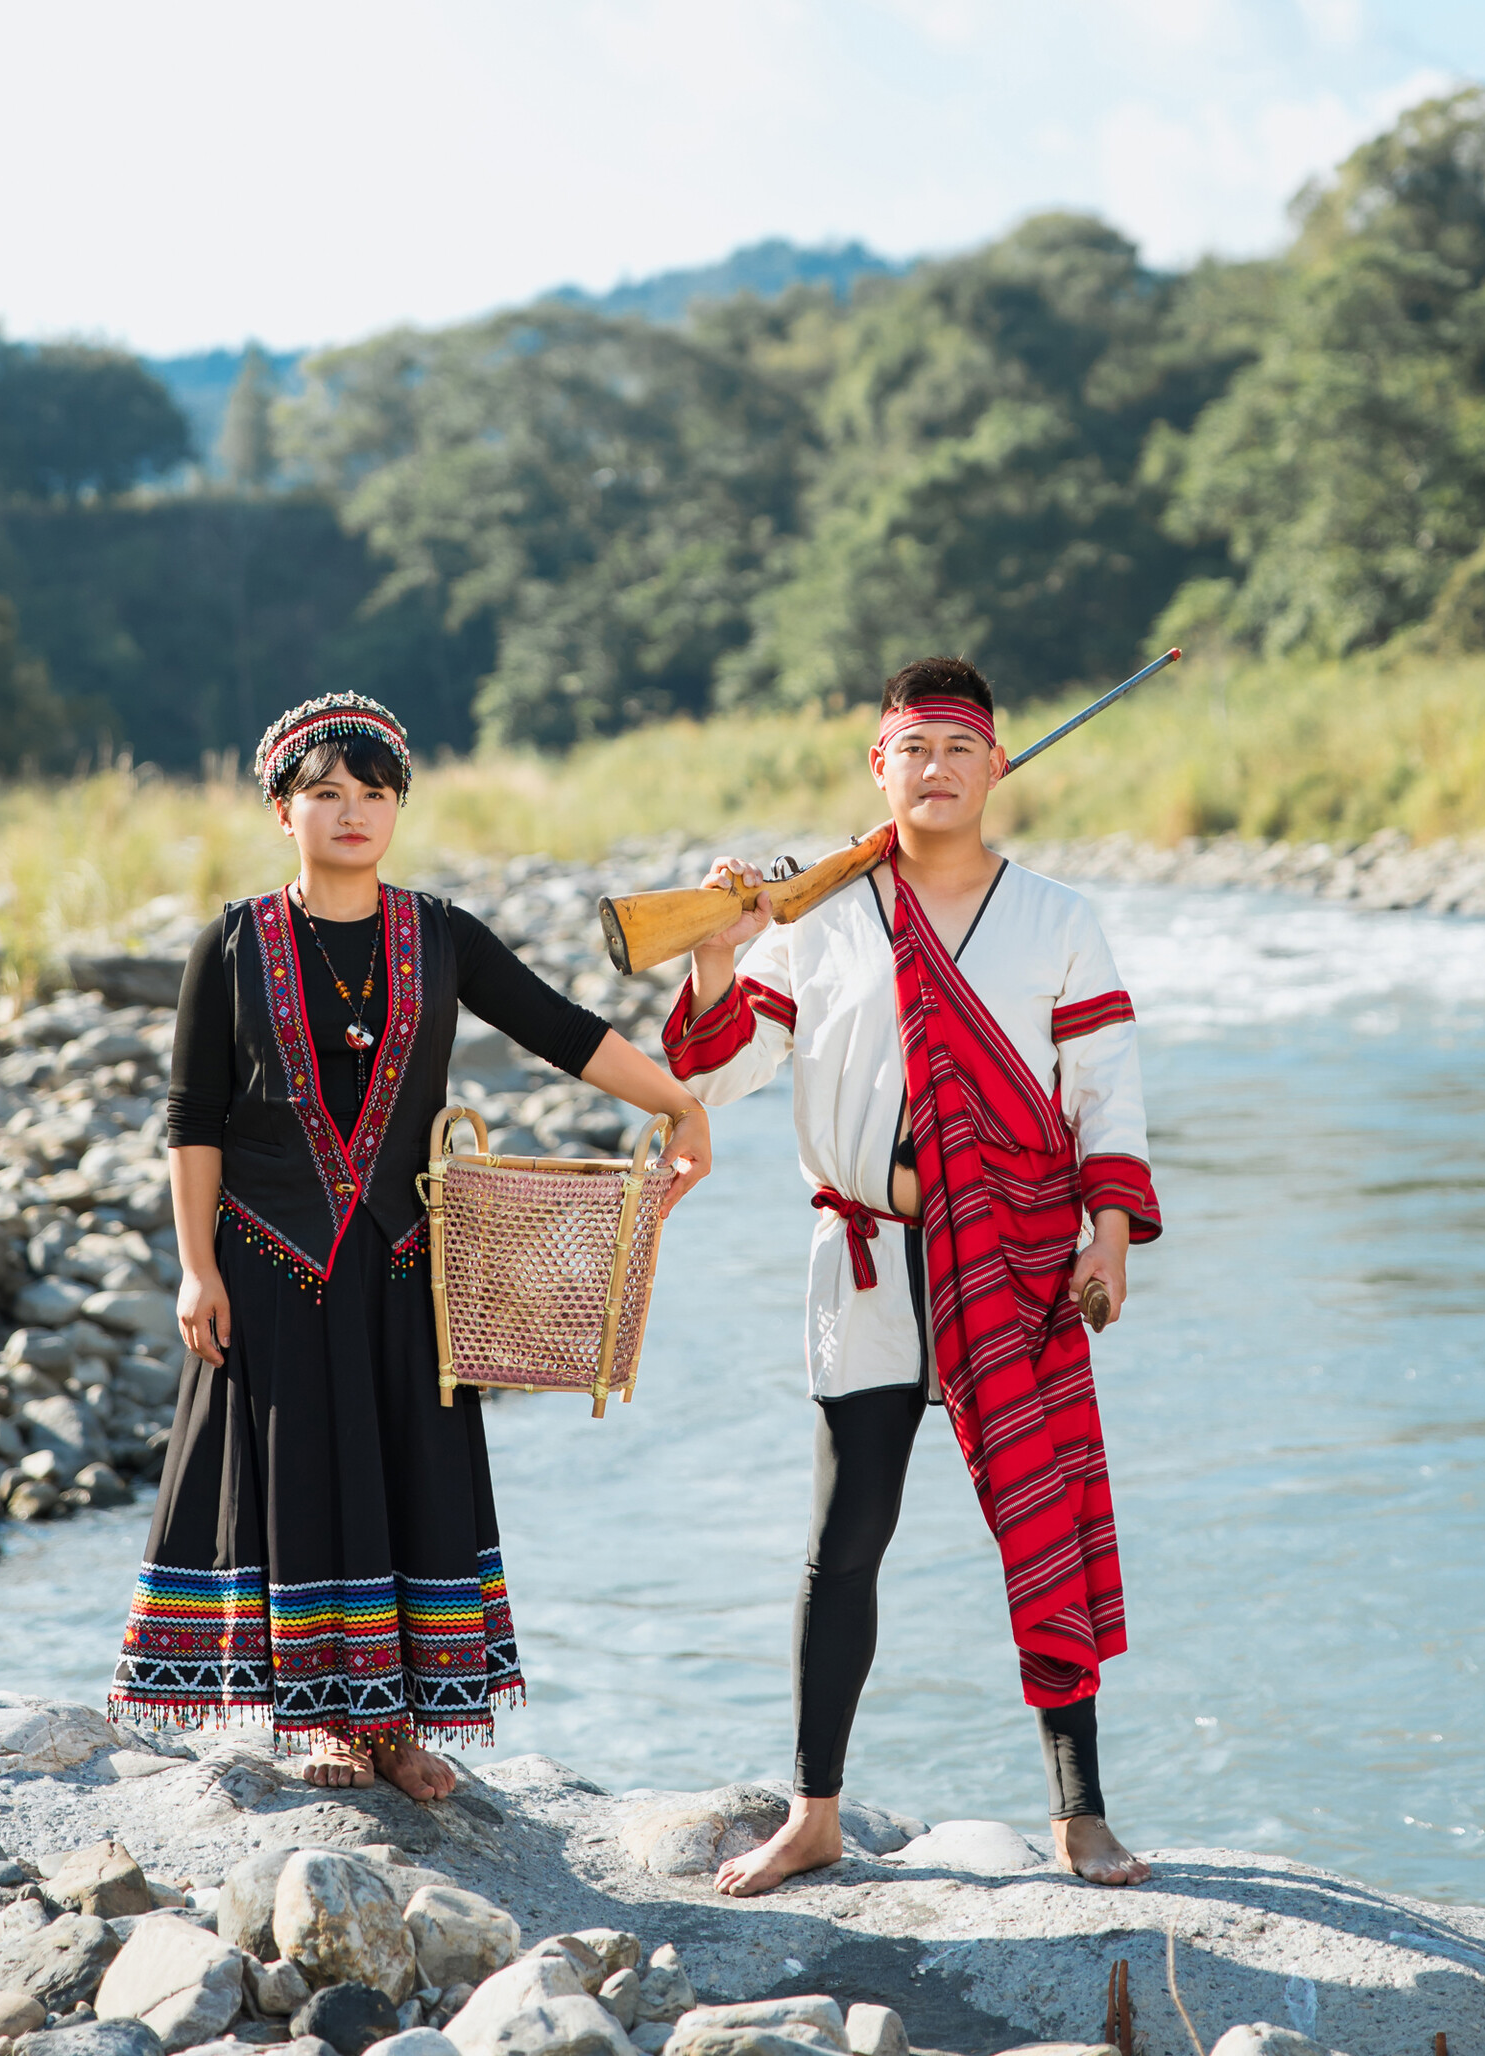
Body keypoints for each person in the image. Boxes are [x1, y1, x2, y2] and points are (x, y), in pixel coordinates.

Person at [109, 689, 711, 1797]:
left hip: (406, 1270)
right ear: (282, 810)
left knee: (405, 1479)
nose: (353, 812)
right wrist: (196, 1268)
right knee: (302, 1481)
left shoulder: (442, 935)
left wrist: (679, 1104)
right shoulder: (229, 944)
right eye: (327, 793)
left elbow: (560, 1029)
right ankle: (328, 1725)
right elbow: (193, 1120)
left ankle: (397, 1728)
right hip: (271, 1261)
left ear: (398, 809)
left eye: (375, 794)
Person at [662, 654, 1160, 1892]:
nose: (936, 770)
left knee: (1043, 1521)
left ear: (998, 764)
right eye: (914, 750)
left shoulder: (1057, 919)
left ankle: (1080, 1815)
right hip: (871, 1260)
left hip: (1020, 1257)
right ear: (877, 768)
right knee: (848, 1534)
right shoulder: (824, 915)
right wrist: (720, 956)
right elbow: (719, 1070)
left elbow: (1105, 1093)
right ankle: (814, 1814)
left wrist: (1107, 1235)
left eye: (958, 748)